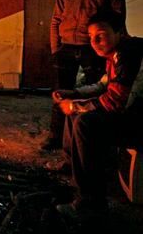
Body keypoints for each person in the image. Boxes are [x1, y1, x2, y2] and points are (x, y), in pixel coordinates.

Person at [53, 12, 143, 221]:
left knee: (85, 122)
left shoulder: (130, 54)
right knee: (76, 114)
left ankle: (91, 203)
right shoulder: (116, 54)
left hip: (139, 120)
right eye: (91, 36)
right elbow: (103, 85)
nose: (94, 42)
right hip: (131, 114)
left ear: (120, 32)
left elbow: (115, 101)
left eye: (100, 35)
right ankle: (74, 169)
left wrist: (75, 107)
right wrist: (73, 95)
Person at [43, 0, 127, 150]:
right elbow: (55, 20)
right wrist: (56, 48)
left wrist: (111, 48)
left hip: (93, 47)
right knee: (61, 92)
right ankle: (56, 137)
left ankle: (94, 139)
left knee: (97, 92)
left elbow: (118, 17)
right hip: (66, 47)